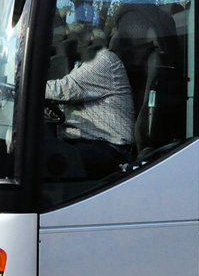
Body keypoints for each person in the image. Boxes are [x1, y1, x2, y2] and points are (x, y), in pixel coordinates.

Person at [45, 29, 135, 176]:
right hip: (86, 143)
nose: (67, 40)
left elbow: (65, 89)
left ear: (92, 38)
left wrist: (24, 86)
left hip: (109, 148)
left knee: (49, 159)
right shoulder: (80, 65)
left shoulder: (103, 59)